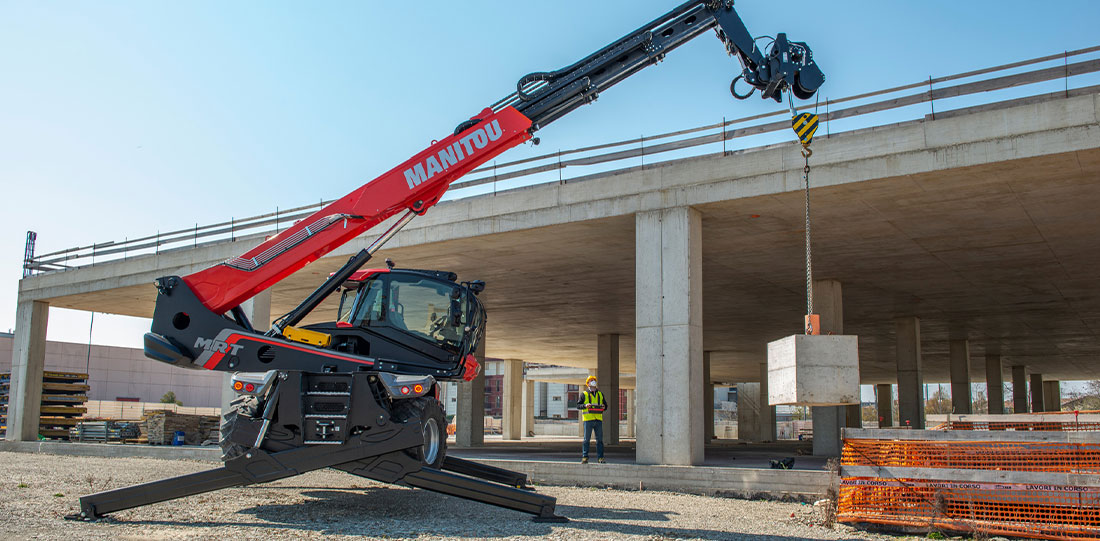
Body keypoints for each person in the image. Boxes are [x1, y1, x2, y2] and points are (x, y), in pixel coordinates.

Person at [579, 375, 607, 464]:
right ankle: (585, 457)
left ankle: (600, 458)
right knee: (586, 439)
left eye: (594, 380)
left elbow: (605, 405)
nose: (593, 382)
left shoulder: (600, 394)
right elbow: (578, 405)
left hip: (598, 419)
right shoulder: (584, 394)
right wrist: (585, 405)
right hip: (588, 419)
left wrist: (604, 406)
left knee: (599, 440)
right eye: (591, 380)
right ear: (588, 383)